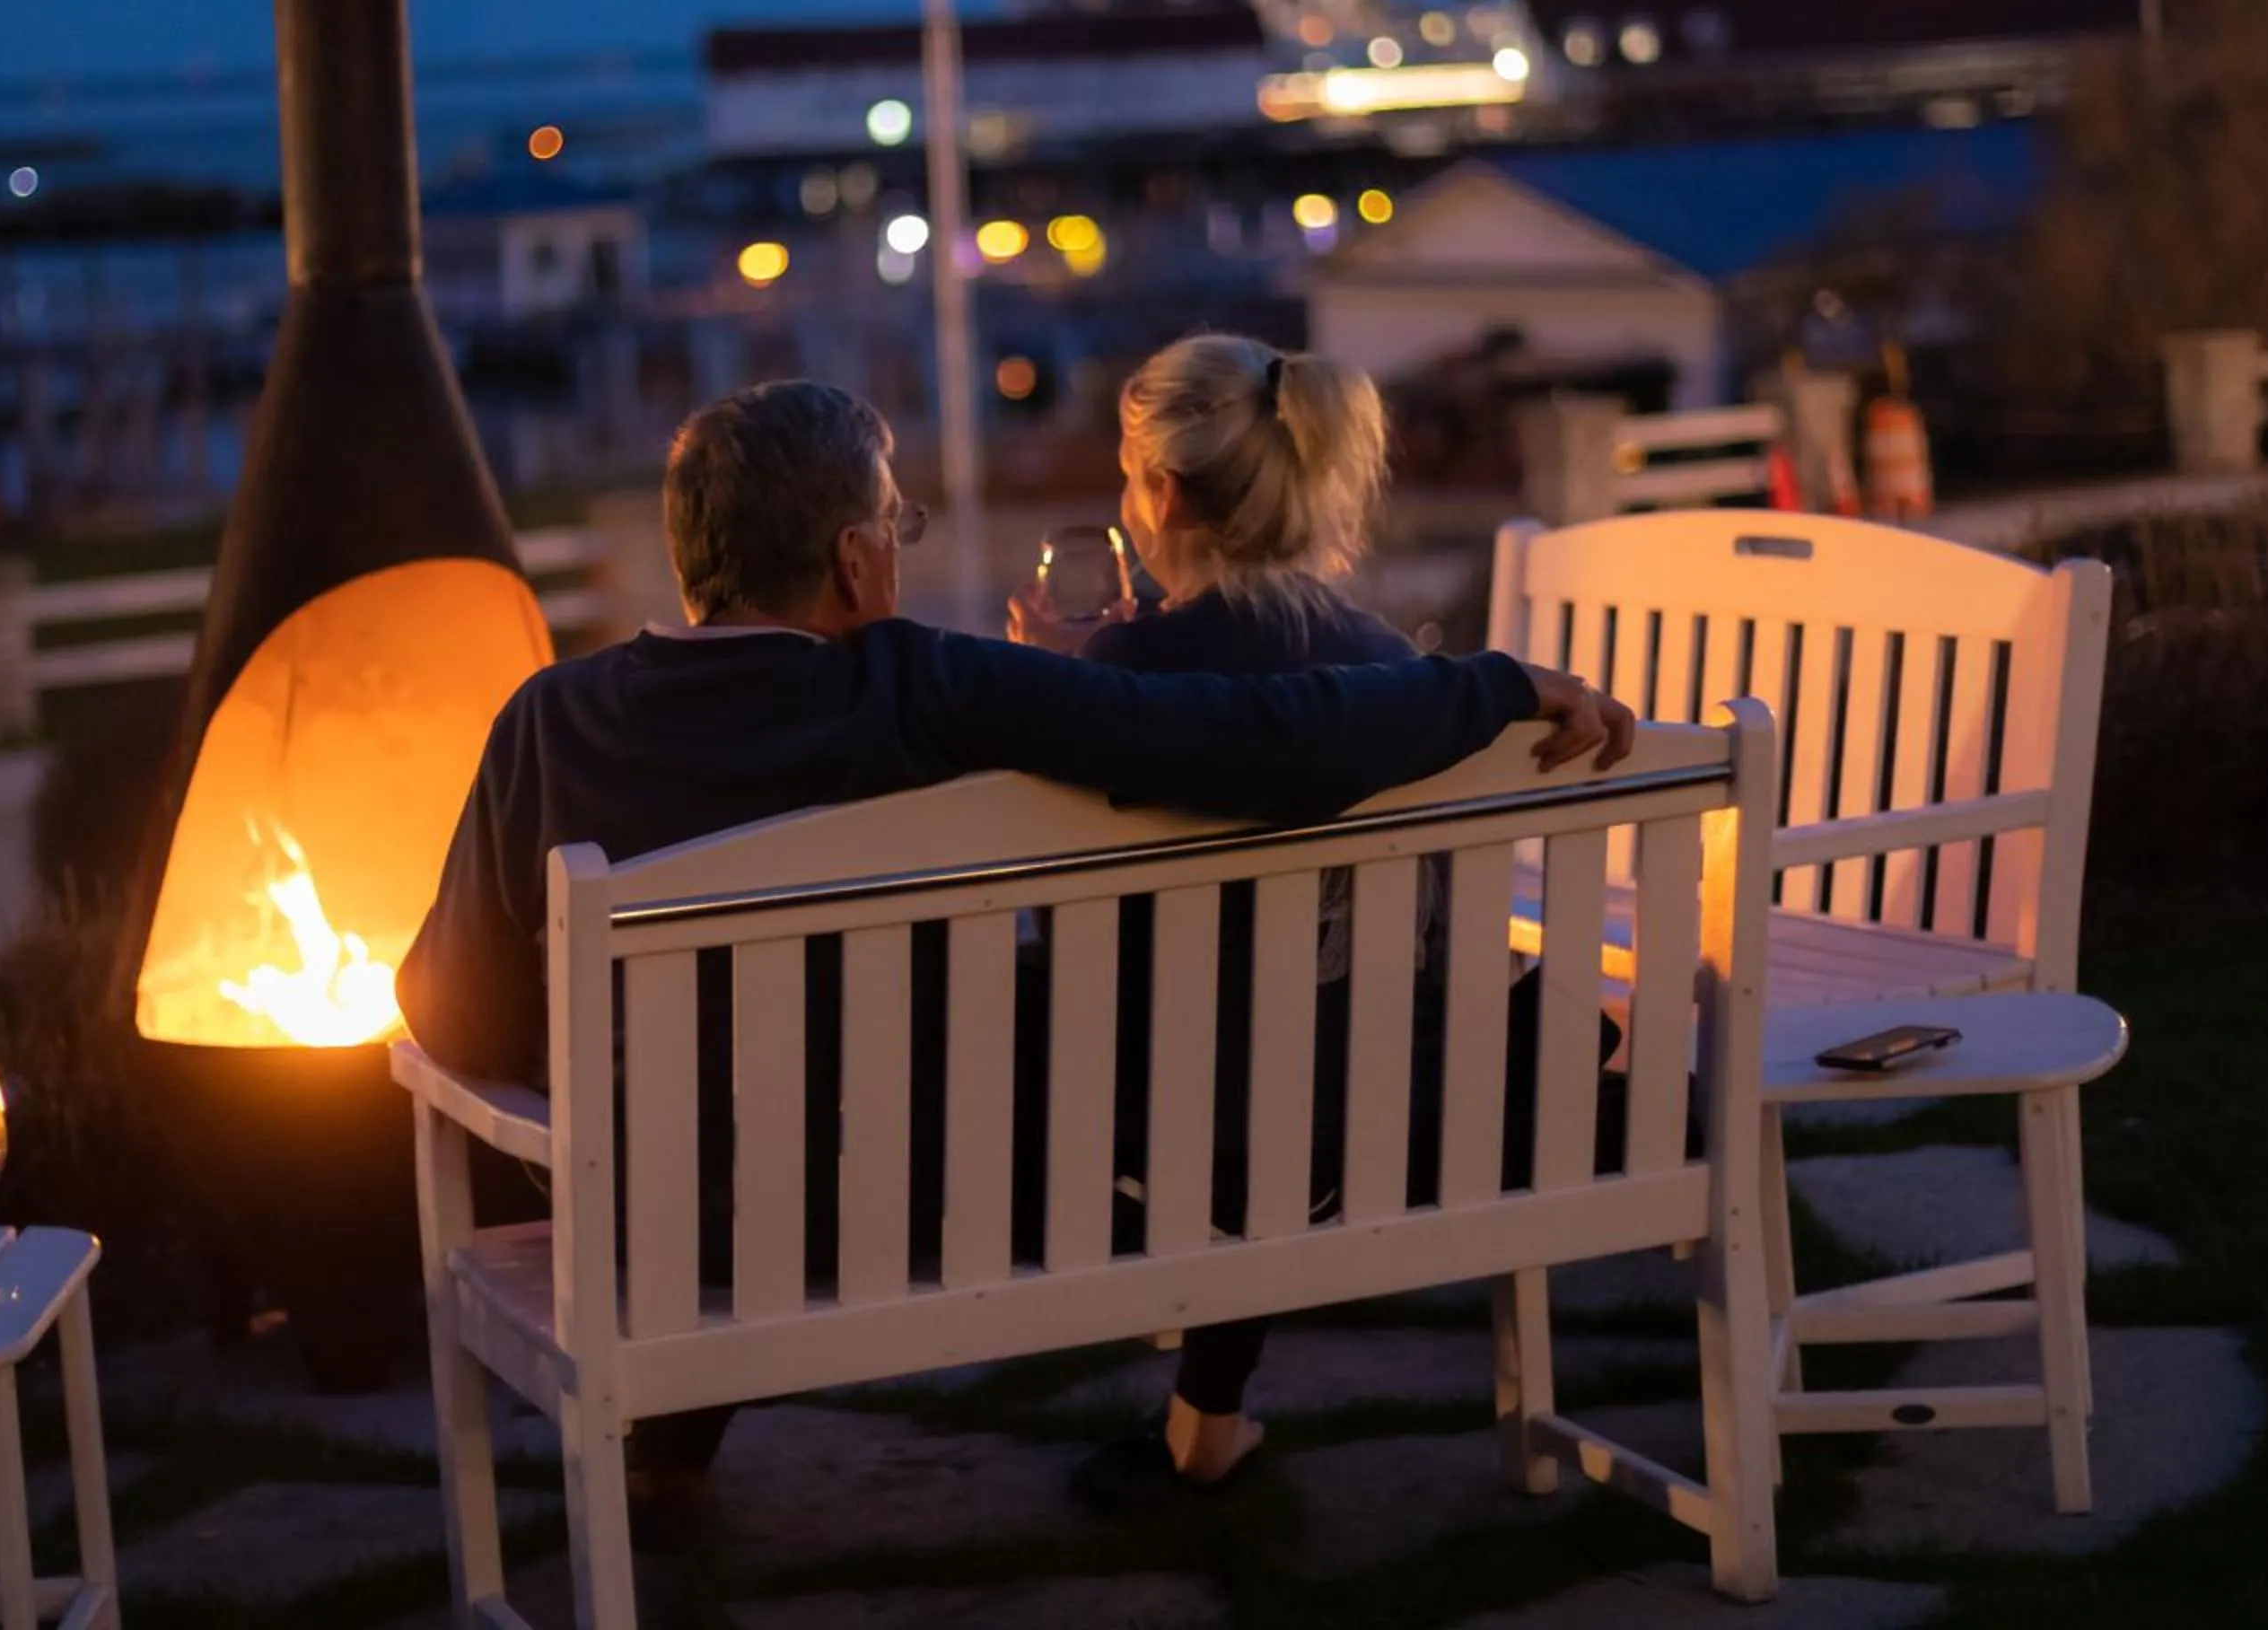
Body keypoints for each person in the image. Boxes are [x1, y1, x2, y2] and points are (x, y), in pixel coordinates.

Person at [398, 379, 1630, 1485]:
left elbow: (451, 1012)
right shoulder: (929, 685)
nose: (898, 550)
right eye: (895, 526)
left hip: (649, 1232)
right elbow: (1254, 746)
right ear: (853, 564)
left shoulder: (546, 720)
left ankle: (667, 1458)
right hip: (920, 1205)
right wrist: (1491, 685)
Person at [1006, 334, 1622, 1511]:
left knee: (1173, 1030)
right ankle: (1207, 1423)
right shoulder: (1396, 670)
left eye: (1132, 471)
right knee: (1285, 1026)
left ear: (1165, 493)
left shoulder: (1127, 679)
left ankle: (1203, 1421)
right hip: (1375, 1114)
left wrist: (1065, 682)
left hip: (1183, 1138)